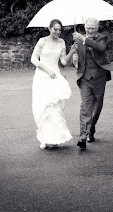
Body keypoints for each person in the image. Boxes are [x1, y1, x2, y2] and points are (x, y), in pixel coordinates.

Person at [69, 17, 113, 150]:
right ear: (85, 27)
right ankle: (83, 136)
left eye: (93, 28)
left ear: (97, 28)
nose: (90, 30)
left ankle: (91, 129)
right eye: (88, 28)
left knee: (97, 106)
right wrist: (74, 58)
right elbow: (74, 60)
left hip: (99, 77)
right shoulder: (78, 40)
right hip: (84, 78)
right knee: (85, 106)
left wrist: (84, 39)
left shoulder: (102, 38)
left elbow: (100, 48)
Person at [30, 19, 74, 149]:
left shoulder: (62, 42)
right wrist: (48, 70)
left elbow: (64, 62)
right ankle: (44, 138)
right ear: (49, 28)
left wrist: (72, 51)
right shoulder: (42, 41)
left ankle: (55, 138)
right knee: (42, 107)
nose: (58, 32)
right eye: (55, 29)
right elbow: (33, 59)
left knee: (55, 108)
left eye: (60, 30)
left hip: (55, 77)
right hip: (42, 77)